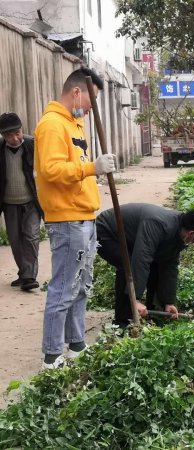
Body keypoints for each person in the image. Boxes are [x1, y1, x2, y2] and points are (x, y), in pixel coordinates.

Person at [35, 67, 117, 369]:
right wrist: (92, 167)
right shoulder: (52, 125)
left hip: (84, 215)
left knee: (81, 285)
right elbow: (51, 170)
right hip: (67, 219)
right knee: (63, 287)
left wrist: (92, 170)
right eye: (92, 99)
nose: (91, 107)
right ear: (77, 92)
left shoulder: (74, 124)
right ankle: (52, 355)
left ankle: (77, 343)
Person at [96, 204, 194, 327]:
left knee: (157, 264)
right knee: (128, 265)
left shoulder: (180, 233)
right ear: (192, 234)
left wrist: (168, 301)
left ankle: (155, 312)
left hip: (130, 238)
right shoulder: (159, 224)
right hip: (107, 232)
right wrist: (135, 299)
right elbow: (141, 259)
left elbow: (169, 266)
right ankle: (123, 322)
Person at [0, 112, 42, 291]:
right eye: (9, 135)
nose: (15, 138)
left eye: (17, 133)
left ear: (21, 129)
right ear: (3, 135)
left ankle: (29, 277)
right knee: (16, 241)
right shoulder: (0, 148)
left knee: (31, 236)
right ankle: (24, 273)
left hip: (31, 201)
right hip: (9, 202)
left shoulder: (33, 144)